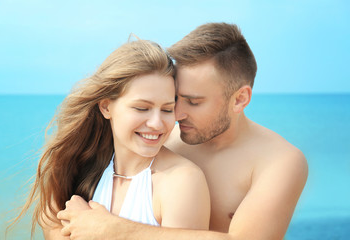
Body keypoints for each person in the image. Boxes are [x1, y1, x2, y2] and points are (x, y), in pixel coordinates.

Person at [57, 23, 308, 240]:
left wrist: (114, 231)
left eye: (194, 101)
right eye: (175, 99)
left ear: (240, 99)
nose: (175, 115)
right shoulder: (162, 138)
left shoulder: (279, 162)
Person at [11, 39, 211, 239]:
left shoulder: (181, 181)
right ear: (106, 107)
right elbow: (51, 227)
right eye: (142, 108)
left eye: (167, 109)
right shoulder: (77, 165)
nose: (157, 124)